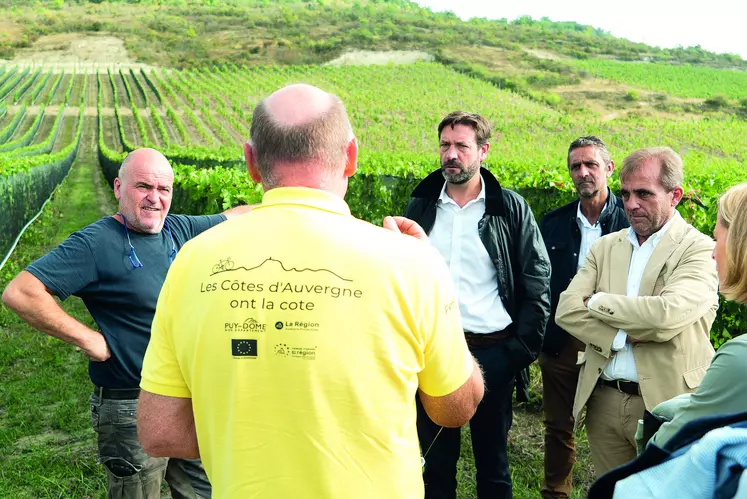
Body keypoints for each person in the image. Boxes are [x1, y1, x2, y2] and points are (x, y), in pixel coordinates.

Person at [135, 84, 485, 499]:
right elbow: (454, 407)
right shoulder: (412, 262)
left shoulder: (192, 260)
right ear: (351, 156)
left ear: (251, 162)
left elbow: (160, 431)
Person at [1, 148, 253, 499]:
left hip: (185, 400)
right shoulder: (96, 242)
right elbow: (21, 291)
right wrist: (90, 341)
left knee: (204, 492)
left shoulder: (177, 229)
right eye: (143, 186)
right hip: (130, 406)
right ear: (119, 187)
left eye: (163, 189)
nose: (155, 198)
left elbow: (235, 216)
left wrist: (299, 207)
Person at [404, 111, 551, 499]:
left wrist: (518, 352)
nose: (451, 155)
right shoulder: (420, 205)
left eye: (461, 147)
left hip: (492, 353)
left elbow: (537, 282)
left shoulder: (509, 208)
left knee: (493, 467)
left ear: (483, 151)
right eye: (445, 146)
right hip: (433, 353)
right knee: (435, 465)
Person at [555, 146, 719, 476]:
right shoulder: (606, 246)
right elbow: (567, 309)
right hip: (604, 399)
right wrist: (620, 335)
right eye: (626, 193)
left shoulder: (699, 249)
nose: (631, 204)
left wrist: (599, 302)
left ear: (675, 195)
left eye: (644, 193)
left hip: (669, 402)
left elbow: (666, 316)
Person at [539, 136, 629, 498]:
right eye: (576, 166)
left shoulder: (630, 217)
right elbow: (540, 282)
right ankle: (555, 492)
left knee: (614, 426)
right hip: (562, 338)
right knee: (558, 425)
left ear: (608, 169)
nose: (583, 172)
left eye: (591, 164)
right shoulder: (554, 223)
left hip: (613, 340)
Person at [647, 182, 747, 447]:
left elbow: (667, 445)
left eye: (718, 238)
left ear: (740, 244)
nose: (714, 252)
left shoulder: (739, 357)